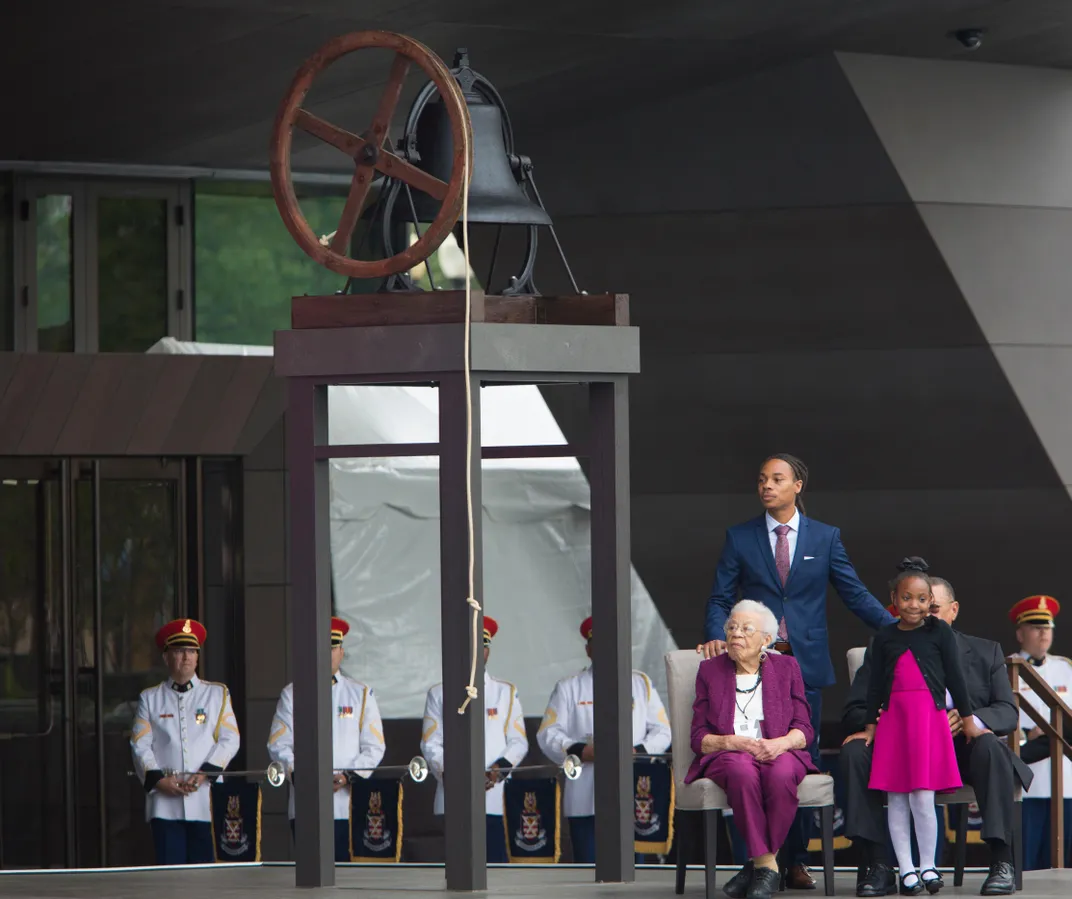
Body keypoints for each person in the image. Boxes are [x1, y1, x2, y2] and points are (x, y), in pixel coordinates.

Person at [699, 453, 895, 888]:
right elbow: (719, 597)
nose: (767, 486)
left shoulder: (825, 538)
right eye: (762, 479)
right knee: (748, 763)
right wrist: (717, 634)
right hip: (751, 666)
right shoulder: (740, 536)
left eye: (777, 479)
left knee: (795, 762)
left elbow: (854, 593)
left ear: (798, 485)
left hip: (802, 668)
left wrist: (901, 630)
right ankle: (756, 860)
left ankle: (795, 861)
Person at [842, 575, 1029, 897]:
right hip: (900, 742)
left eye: (934, 607)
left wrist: (972, 719)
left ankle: (1001, 860)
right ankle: (877, 864)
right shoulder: (886, 644)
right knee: (854, 752)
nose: (924, 614)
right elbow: (856, 708)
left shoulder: (985, 652)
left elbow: (1007, 712)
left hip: (960, 748)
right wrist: (885, 720)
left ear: (952, 610)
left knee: (989, 746)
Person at [860, 558, 978, 894]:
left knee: (924, 797)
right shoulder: (884, 637)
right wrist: (870, 726)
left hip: (928, 719)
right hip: (895, 721)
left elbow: (955, 677)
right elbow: (874, 688)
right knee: (897, 797)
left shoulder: (939, 631)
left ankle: (928, 866)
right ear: (894, 600)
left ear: (931, 603)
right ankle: (906, 868)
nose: (915, 605)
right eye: (907, 598)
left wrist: (968, 721)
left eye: (922, 599)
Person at [687, 600, 816, 899]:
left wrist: (781, 743)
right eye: (731, 627)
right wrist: (730, 741)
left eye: (746, 629)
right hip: (729, 754)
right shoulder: (710, 671)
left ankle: (753, 866)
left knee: (781, 773)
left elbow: (804, 728)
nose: (735, 635)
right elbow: (698, 737)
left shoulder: (787, 667)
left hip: (779, 749)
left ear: (766, 640)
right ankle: (768, 864)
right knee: (741, 771)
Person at [537, 615, 672, 863]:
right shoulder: (569, 687)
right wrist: (578, 749)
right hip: (585, 790)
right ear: (588, 649)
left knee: (633, 868)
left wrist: (636, 751)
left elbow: (663, 731)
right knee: (588, 865)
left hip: (632, 788)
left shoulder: (640, 683)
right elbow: (547, 733)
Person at [267, 616, 386, 862]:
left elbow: (374, 747)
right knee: (311, 876)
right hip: (307, 803)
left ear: (341, 652)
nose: (327, 653)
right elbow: (279, 744)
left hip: (350, 804)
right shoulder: (292, 694)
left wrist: (347, 776)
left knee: (349, 880)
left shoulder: (361, 694)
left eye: (332, 647)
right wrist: (306, 778)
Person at [130, 618, 241, 865]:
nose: (187, 657)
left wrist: (204, 773)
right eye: (179, 651)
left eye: (192, 651)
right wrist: (158, 780)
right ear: (166, 657)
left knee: (207, 878)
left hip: (206, 801)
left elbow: (230, 738)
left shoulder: (217, 694)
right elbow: (140, 744)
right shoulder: (150, 698)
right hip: (164, 804)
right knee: (170, 879)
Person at [421, 615, 529, 863]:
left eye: (481, 646)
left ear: (488, 651)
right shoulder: (439, 694)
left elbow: (518, 741)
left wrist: (496, 770)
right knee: (456, 868)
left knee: (496, 870)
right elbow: (430, 743)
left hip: (496, 797)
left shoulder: (505, 692)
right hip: (454, 796)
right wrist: (453, 774)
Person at [1009, 594, 1072, 870]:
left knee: (1061, 864)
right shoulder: (1005, 669)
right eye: (1036, 627)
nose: (1044, 632)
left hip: (1065, 779)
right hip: (1027, 780)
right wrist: (1025, 735)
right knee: (1026, 863)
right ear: (1020, 633)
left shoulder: (1065, 669)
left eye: (1047, 627)